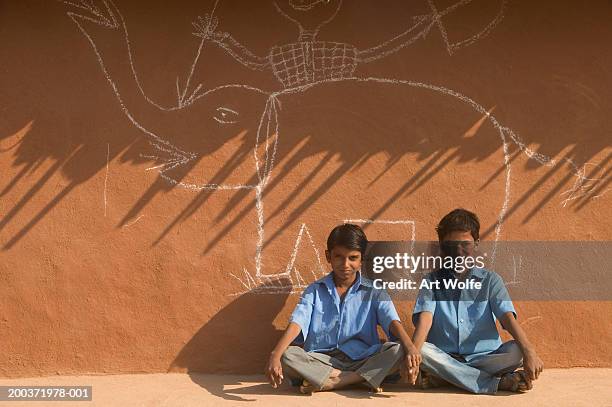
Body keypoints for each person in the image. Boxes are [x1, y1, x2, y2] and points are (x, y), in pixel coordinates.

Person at [265, 223, 421, 393]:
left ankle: (335, 381)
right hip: (321, 359)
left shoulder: (374, 291)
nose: (345, 264)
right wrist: (275, 354)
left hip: (363, 357)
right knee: (288, 356)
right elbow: (298, 323)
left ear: (362, 259)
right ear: (328, 256)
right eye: (339, 256)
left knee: (398, 350)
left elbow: (392, 321)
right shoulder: (315, 291)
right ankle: (360, 378)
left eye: (353, 258)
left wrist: (411, 347)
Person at [412, 208, 544, 394]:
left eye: (465, 244)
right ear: (442, 246)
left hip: (485, 358)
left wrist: (530, 351)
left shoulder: (490, 281)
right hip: (445, 356)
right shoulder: (431, 281)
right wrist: (413, 354)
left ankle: (445, 377)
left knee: (517, 351)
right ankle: (497, 383)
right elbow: (425, 322)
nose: (458, 252)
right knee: (422, 350)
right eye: (451, 245)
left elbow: (508, 319)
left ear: (476, 244)